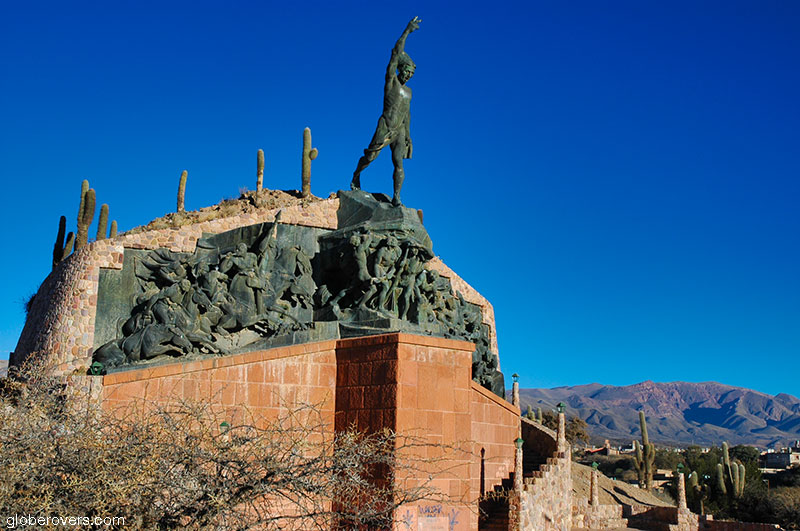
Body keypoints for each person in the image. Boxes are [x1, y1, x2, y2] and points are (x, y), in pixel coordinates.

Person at [351, 17, 421, 206]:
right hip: (386, 125)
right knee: (371, 156)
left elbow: (407, 113)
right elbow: (395, 53)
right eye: (407, 71)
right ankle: (356, 175)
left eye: (412, 74)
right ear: (400, 69)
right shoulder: (392, 82)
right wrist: (407, 31)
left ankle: (397, 197)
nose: (409, 75)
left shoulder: (409, 92)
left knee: (399, 163)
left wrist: (408, 135)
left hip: (400, 130)